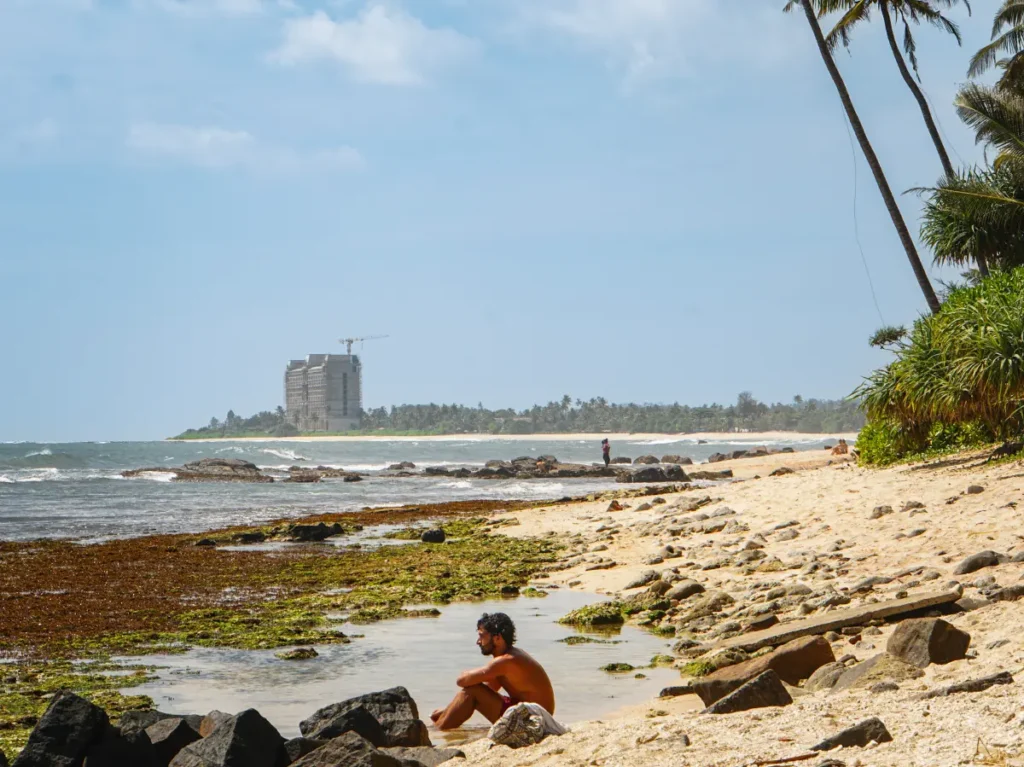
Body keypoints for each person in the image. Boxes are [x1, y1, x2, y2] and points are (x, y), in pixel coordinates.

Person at [430, 613, 555, 730]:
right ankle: (440, 727)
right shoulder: (509, 657)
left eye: (481, 636)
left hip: (534, 721)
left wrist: (449, 711)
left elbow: (461, 681)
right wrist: (448, 710)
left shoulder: (506, 660)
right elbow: (489, 689)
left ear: (497, 638)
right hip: (529, 714)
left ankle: (437, 731)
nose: (478, 641)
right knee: (473, 691)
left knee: (472, 691)